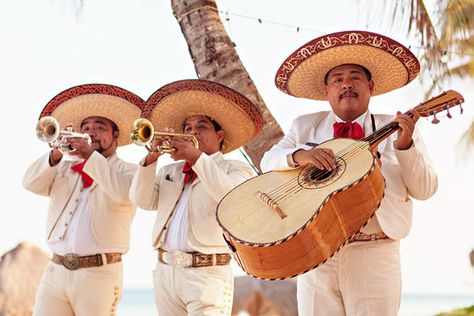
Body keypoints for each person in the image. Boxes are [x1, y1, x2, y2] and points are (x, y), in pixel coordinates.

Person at [261, 30, 438, 315]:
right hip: (316, 255)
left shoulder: (398, 127)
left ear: (370, 85)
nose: (346, 85)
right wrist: (299, 155)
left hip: (375, 252)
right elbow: (267, 161)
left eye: (355, 77)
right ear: (326, 91)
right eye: (337, 79)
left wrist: (405, 148)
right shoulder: (303, 126)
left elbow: (426, 189)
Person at [129, 79, 263, 315]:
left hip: (207, 275)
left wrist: (198, 159)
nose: (192, 132)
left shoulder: (236, 168)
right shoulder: (169, 171)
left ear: (220, 135)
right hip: (165, 272)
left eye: (201, 126)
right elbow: (141, 200)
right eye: (188, 128)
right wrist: (149, 161)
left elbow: (231, 199)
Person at [23, 84, 145, 316]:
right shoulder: (64, 168)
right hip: (55, 271)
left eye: (99, 127)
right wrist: (57, 153)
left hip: (100, 274)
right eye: (86, 127)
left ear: (115, 135)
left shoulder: (130, 172)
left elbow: (123, 193)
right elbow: (30, 183)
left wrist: (90, 157)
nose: (91, 132)